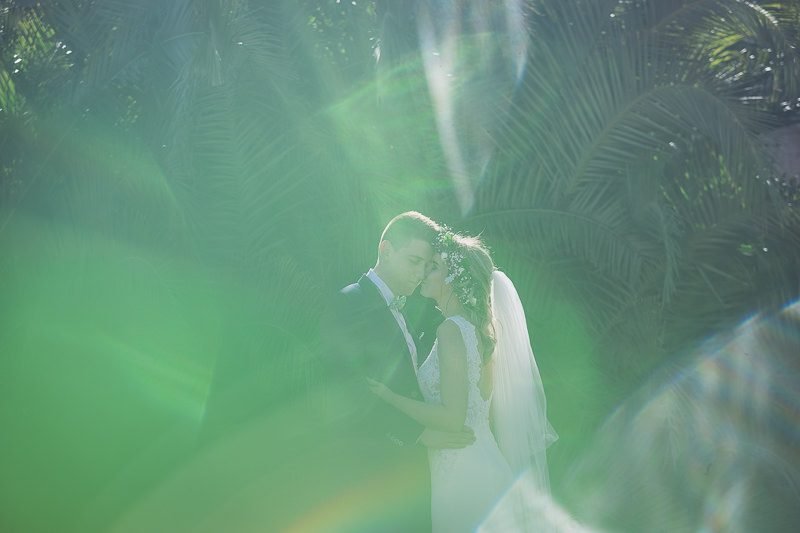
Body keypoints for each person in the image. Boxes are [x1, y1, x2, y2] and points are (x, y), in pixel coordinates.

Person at [368, 227, 558, 531]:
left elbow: (453, 419)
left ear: (453, 279)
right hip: (478, 460)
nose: (424, 274)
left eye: (434, 268)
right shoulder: (478, 332)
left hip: (462, 472)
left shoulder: (452, 332)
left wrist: (390, 398)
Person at [319, 211, 476, 532]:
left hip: (408, 475)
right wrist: (417, 435)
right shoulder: (352, 302)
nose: (419, 274)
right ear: (385, 249)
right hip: (369, 471)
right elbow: (347, 391)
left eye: (425, 266)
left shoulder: (408, 309)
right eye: (413, 261)